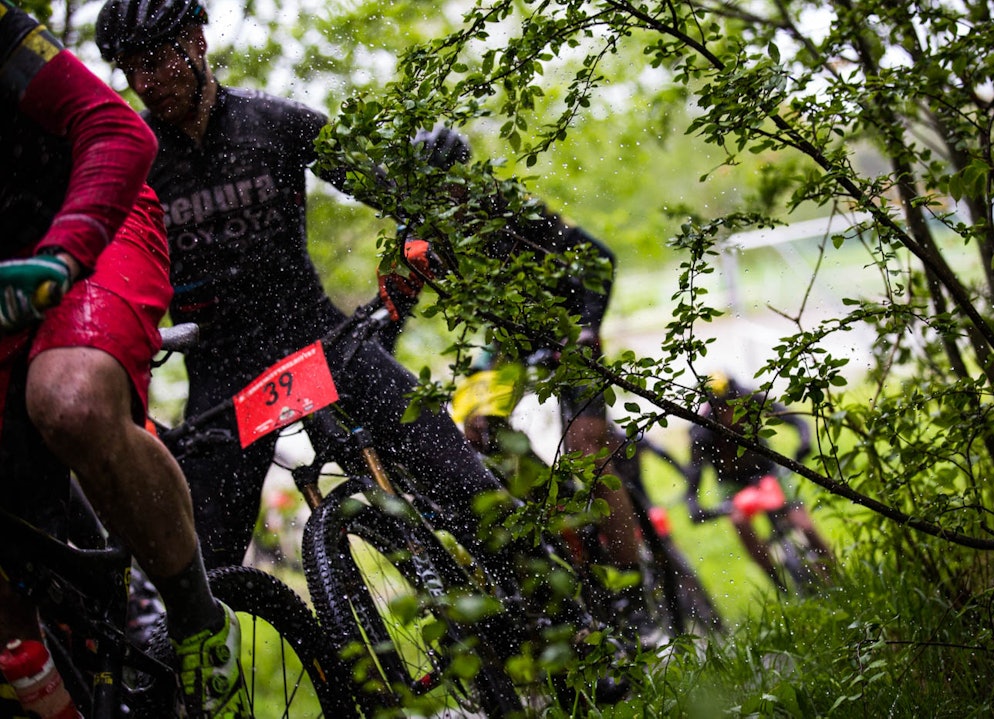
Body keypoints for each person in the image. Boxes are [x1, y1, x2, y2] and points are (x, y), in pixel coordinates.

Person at [93, 0, 527, 593]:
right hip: (224, 374)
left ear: (196, 41)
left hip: (318, 341)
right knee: (200, 570)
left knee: (463, 480)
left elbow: (389, 189)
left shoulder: (275, 122)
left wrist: (422, 228)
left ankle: (566, 620)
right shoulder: (133, 158)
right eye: (130, 69)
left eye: (156, 61)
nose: (144, 83)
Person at [0, 2, 250, 717]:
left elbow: (117, 130)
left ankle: (196, 617)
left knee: (71, 399)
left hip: (90, 218)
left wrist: (62, 255)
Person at [378, 127, 657, 634]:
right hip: (507, 342)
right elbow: (394, 309)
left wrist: (587, 328)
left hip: (566, 329)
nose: (443, 198)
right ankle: (553, 516)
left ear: (463, 176)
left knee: (587, 446)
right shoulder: (418, 236)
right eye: (428, 191)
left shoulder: (510, 207)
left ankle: (632, 587)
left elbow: (599, 258)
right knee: (477, 429)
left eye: (447, 185)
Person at [685, 372, 832, 589]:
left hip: (768, 471)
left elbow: (794, 420)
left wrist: (804, 442)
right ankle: (777, 581)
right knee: (739, 521)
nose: (730, 413)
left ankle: (834, 570)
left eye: (733, 405)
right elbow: (693, 475)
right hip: (732, 485)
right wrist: (694, 505)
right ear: (712, 408)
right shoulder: (702, 431)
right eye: (722, 408)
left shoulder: (751, 400)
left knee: (803, 524)